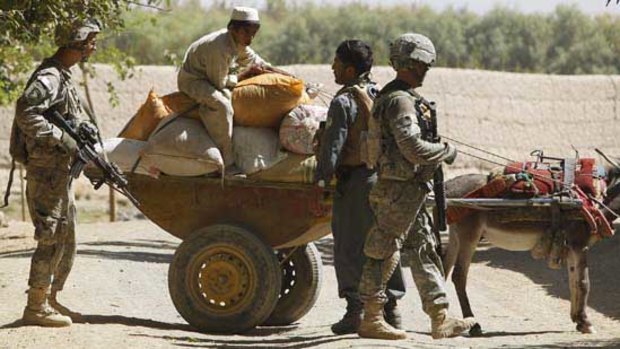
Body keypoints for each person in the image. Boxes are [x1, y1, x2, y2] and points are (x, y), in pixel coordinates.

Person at [356, 33, 476, 340]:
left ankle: (440, 318)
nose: (424, 71)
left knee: (424, 251)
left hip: (410, 190)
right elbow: (412, 148)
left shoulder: (398, 97)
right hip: (399, 190)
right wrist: (445, 152)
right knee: (383, 250)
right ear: (406, 64)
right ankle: (371, 317)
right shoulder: (400, 101)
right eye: (420, 65)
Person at [12, 18, 101, 327]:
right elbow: (26, 113)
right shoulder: (49, 77)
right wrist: (61, 138)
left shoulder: (63, 77)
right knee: (50, 236)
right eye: (90, 40)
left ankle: (48, 299)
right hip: (45, 171)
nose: (93, 46)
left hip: (57, 171)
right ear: (75, 42)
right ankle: (35, 307)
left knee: (66, 235)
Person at [314, 40, 407, 334]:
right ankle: (391, 311)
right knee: (383, 245)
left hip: (355, 184)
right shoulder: (380, 94)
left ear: (350, 68)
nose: (332, 68)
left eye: (337, 63)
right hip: (385, 181)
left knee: (350, 247)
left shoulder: (343, 101)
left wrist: (321, 179)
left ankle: (355, 311)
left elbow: (333, 147)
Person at [177, 6, 282, 174]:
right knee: (223, 105)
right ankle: (226, 161)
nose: (251, 37)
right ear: (233, 29)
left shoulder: (238, 43)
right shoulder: (218, 48)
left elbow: (258, 62)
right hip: (195, 80)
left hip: (218, 75)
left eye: (254, 33)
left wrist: (283, 74)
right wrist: (244, 74)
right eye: (247, 32)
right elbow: (219, 83)